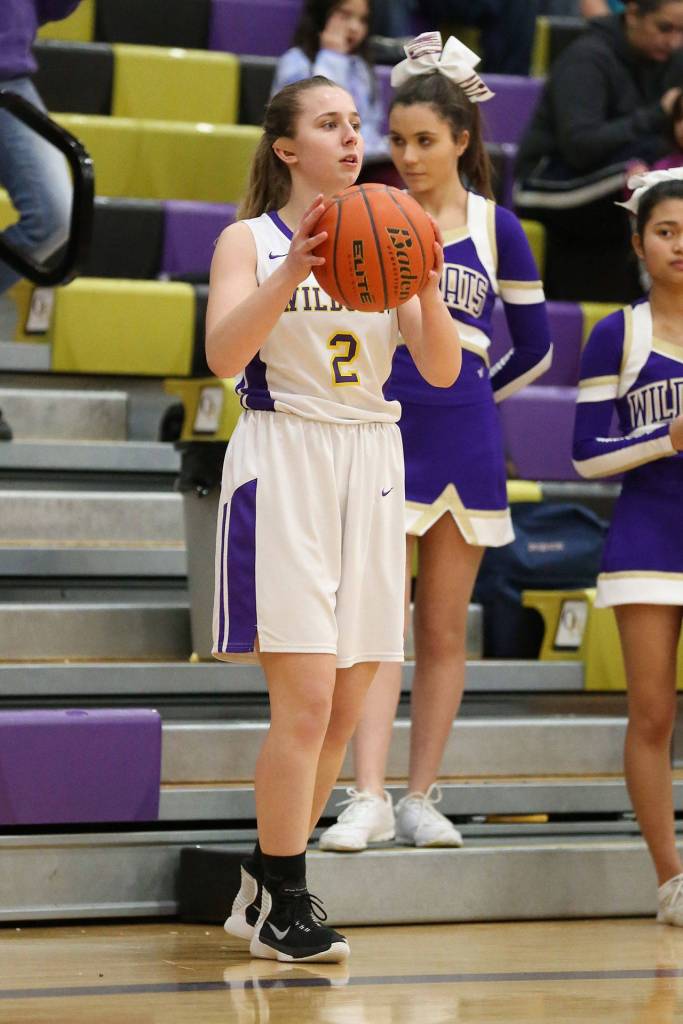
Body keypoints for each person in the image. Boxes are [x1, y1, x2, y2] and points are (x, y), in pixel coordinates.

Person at [207, 75, 461, 962]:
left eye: (357, 124)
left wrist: (425, 281)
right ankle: (288, 901)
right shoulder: (248, 239)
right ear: (286, 147)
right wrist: (293, 270)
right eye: (329, 125)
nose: (352, 138)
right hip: (285, 460)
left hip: (371, 463)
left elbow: (436, 370)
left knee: (346, 709)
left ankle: (260, 883)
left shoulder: (391, 232)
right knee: (307, 701)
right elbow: (222, 356)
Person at [318, 33, 552, 854]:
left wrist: (478, 390)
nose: (409, 156)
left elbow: (536, 345)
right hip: (386, 429)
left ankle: (420, 796)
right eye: (398, 141)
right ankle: (366, 794)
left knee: (443, 628)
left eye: (425, 141)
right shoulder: (370, 214)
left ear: (461, 139)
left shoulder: (499, 229)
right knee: (374, 621)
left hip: (464, 438)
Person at [572, 168, 683, 926]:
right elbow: (584, 455)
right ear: (639, 242)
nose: (679, 245)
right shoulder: (618, 331)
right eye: (666, 231)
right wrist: (664, 438)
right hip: (647, 535)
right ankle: (672, 881)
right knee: (650, 714)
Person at [515, 0, 683, 303]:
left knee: (656, 175)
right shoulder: (587, 57)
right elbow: (580, 147)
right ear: (632, 13)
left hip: (614, 177)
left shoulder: (671, 60)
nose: (674, 41)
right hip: (550, 183)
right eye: (665, 28)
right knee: (643, 180)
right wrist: (659, 113)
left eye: (682, 31)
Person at [271, 0, 386, 159]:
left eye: (363, 20)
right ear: (321, 14)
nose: (354, 27)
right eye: (344, 15)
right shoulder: (295, 62)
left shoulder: (362, 67)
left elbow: (371, 124)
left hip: (362, 157)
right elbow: (317, 113)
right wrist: (332, 58)